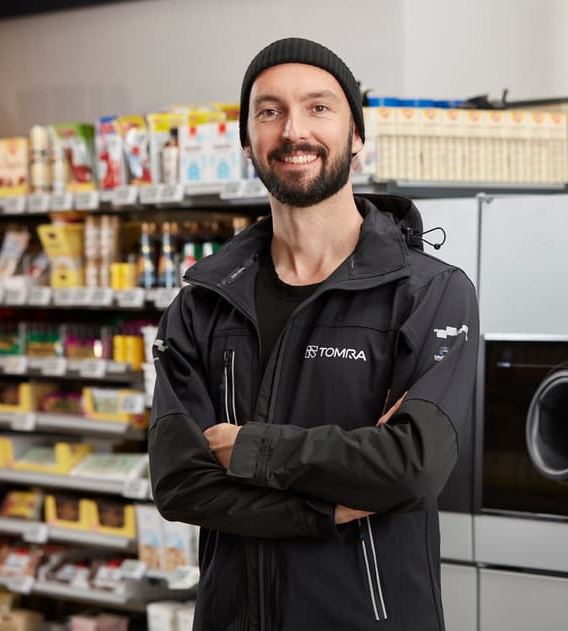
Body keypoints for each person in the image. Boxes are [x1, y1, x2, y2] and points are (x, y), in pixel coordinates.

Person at [148, 37, 479, 631]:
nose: (293, 130)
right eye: (269, 111)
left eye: (319, 107)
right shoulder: (204, 302)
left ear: (356, 135)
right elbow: (179, 484)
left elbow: (411, 467)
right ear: (246, 140)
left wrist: (249, 448)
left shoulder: (429, 293)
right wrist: (329, 507)